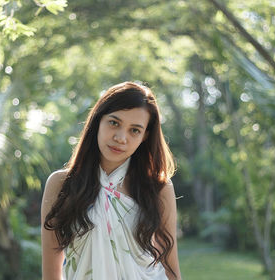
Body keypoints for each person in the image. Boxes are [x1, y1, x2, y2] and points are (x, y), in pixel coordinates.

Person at [41, 81, 181, 280]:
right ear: (98, 121)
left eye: (134, 130)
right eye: (114, 122)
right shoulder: (61, 184)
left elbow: (170, 266)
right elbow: (51, 274)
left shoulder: (157, 188)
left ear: (144, 136)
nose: (121, 138)